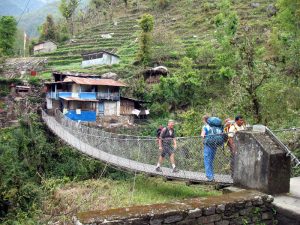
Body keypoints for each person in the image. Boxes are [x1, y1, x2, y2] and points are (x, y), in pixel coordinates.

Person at [201, 115, 224, 182]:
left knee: (207, 161)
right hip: (215, 145)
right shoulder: (217, 127)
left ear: (205, 120)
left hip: (208, 145)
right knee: (211, 161)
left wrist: (205, 138)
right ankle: (211, 176)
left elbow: (202, 135)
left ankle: (210, 177)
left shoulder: (205, 126)